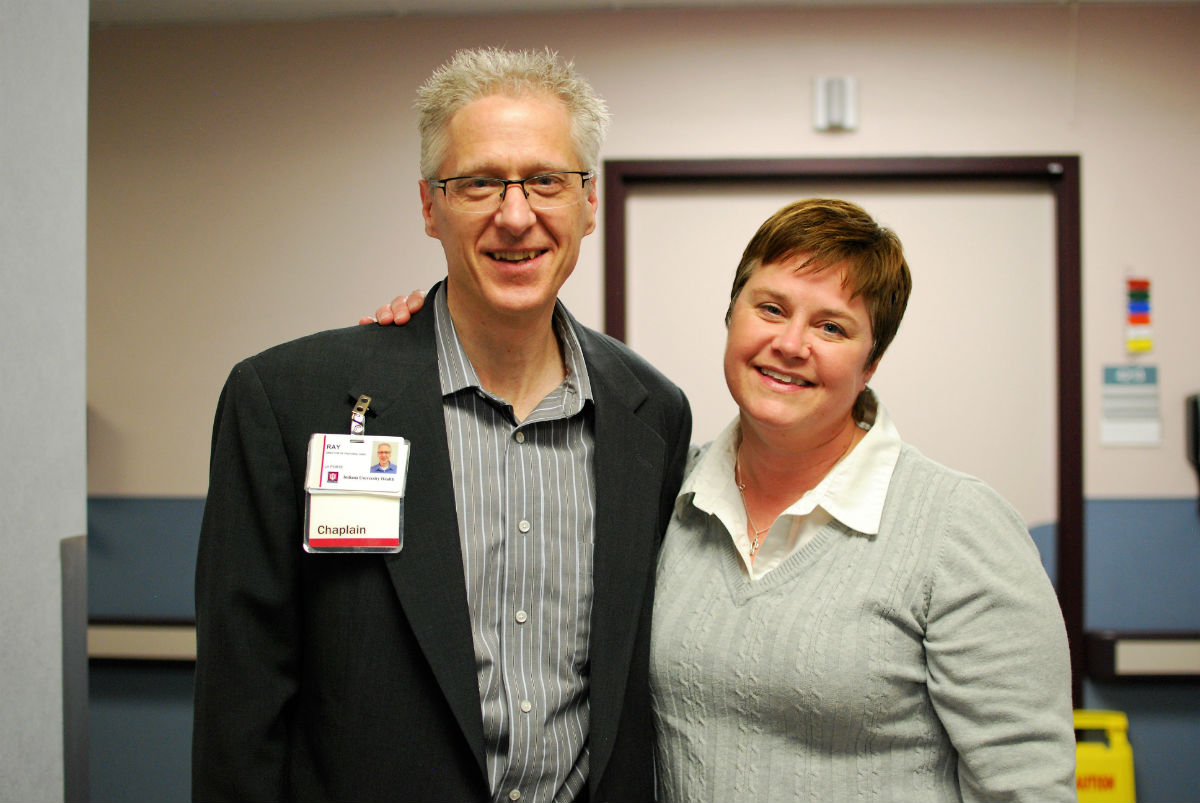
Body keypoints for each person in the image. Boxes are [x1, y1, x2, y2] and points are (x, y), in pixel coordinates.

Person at [372, 198, 1076, 802]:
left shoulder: (956, 527)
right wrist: (436, 328)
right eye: (770, 307)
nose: (791, 343)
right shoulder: (666, 493)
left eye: (832, 326)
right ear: (731, 316)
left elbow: (1028, 782)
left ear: (871, 362)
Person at [193, 48, 691, 803]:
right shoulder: (293, 400)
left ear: (589, 202)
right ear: (431, 206)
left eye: (546, 181)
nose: (516, 215)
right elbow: (242, 697)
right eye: (480, 182)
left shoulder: (651, 414)